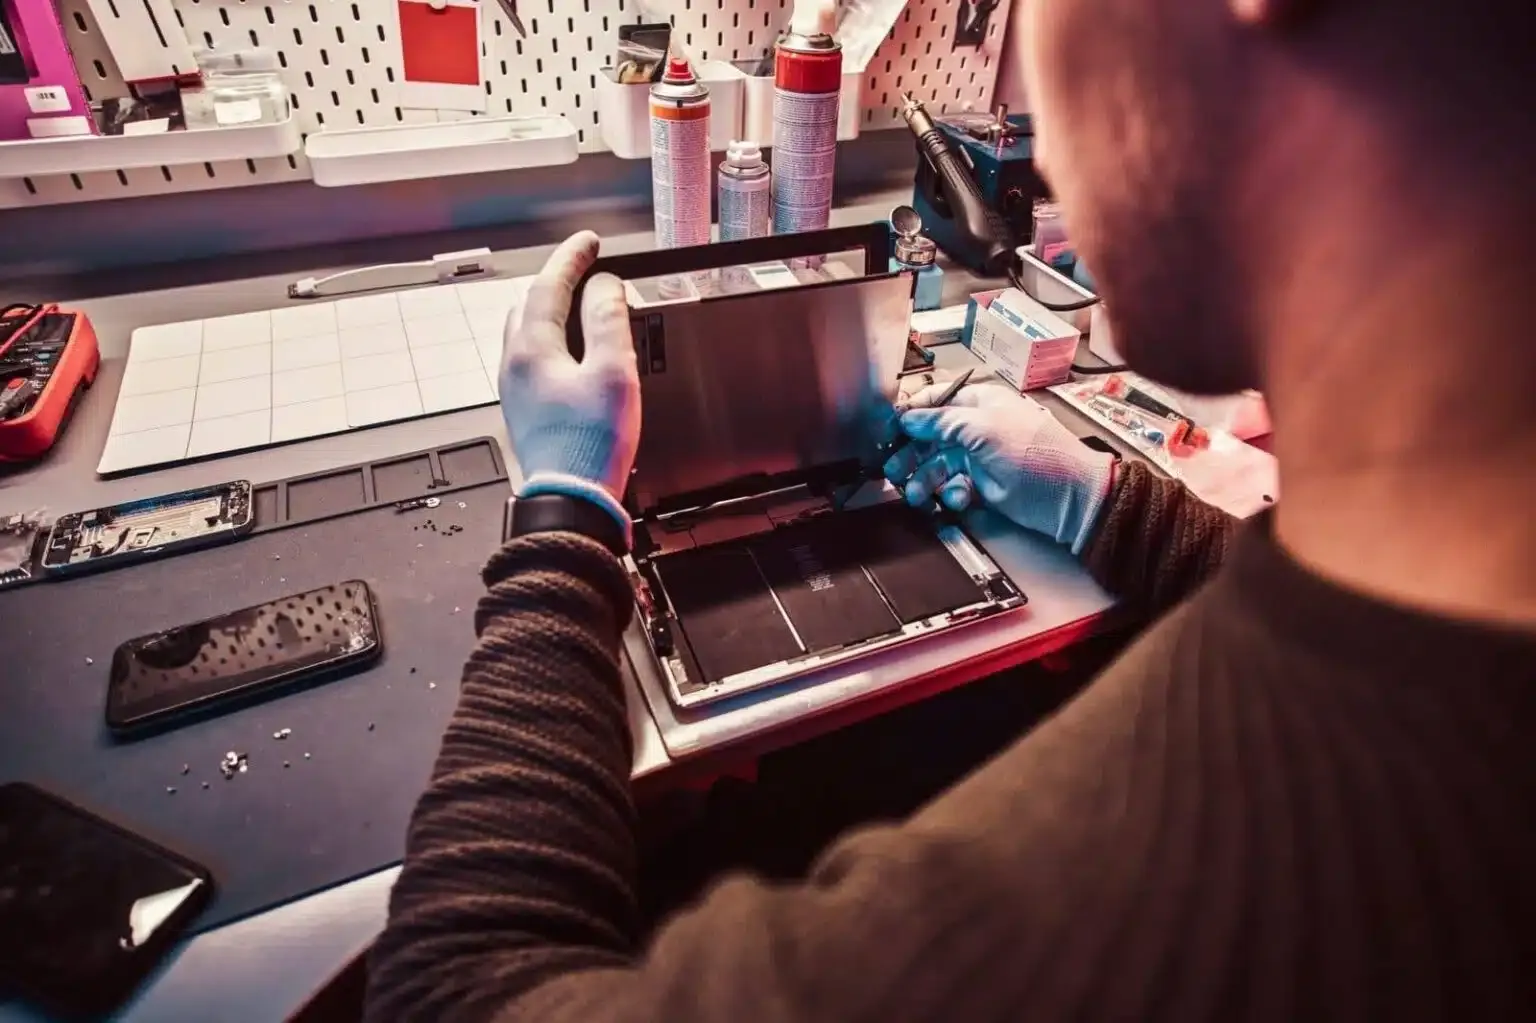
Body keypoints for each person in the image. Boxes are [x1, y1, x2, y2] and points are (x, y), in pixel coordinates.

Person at [365, 0, 1536, 1018]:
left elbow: (453, 992)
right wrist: (1101, 505)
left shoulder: (1115, 906)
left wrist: (565, 517)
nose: (1035, 141)